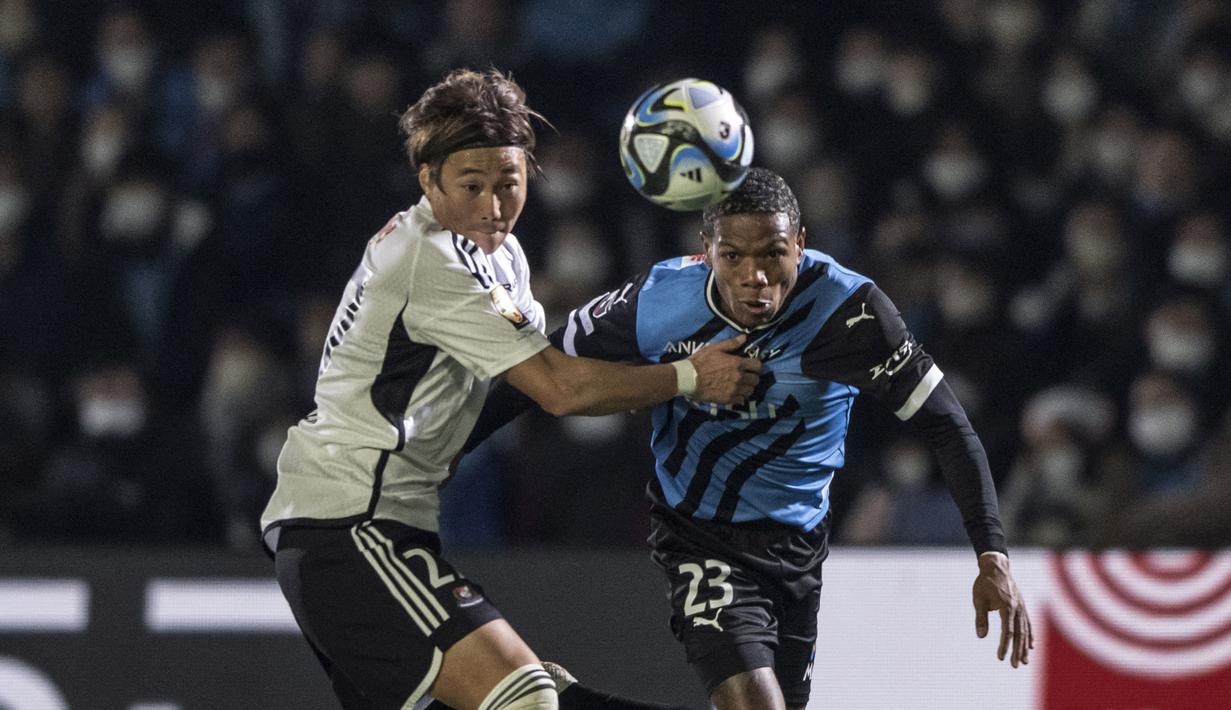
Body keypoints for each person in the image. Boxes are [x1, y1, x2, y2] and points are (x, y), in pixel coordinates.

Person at [260, 68, 761, 710]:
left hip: (360, 526)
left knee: (528, 697)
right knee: (524, 695)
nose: (493, 206)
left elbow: (521, 383)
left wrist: (657, 309)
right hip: (349, 525)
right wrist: (689, 377)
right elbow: (559, 390)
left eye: (509, 183)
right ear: (428, 181)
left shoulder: (500, 256)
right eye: (472, 185)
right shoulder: (430, 259)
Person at [466, 167, 1033, 710]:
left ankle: (574, 705)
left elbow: (945, 423)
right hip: (698, 533)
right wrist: (446, 454)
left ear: (800, 245)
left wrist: (992, 554)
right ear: (707, 250)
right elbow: (535, 371)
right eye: (733, 256)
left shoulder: (851, 313)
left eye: (772, 254)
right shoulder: (661, 300)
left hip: (799, 544)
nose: (754, 276)